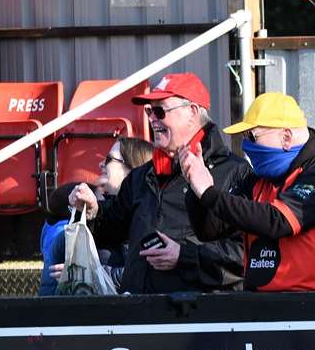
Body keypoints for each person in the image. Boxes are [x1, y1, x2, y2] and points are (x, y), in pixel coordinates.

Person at [67, 73, 248, 294]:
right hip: (140, 310)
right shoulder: (142, 176)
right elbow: (111, 232)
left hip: (196, 316)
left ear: (192, 112)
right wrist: (93, 210)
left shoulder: (234, 172)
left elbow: (243, 254)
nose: (152, 119)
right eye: (149, 111)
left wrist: (183, 256)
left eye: (160, 111)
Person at [184, 91, 315, 292]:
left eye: (253, 136)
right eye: (245, 137)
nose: (247, 146)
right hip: (265, 309)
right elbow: (210, 229)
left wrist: (209, 193)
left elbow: (277, 221)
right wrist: (195, 187)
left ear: (286, 136)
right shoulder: (257, 180)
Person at [40, 136, 151, 296]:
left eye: (108, 159)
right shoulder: (105, 214)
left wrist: (89, 275)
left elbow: (146, 273)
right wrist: (80, 214)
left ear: (133, 169)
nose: (101, 164)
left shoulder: (150, 214)